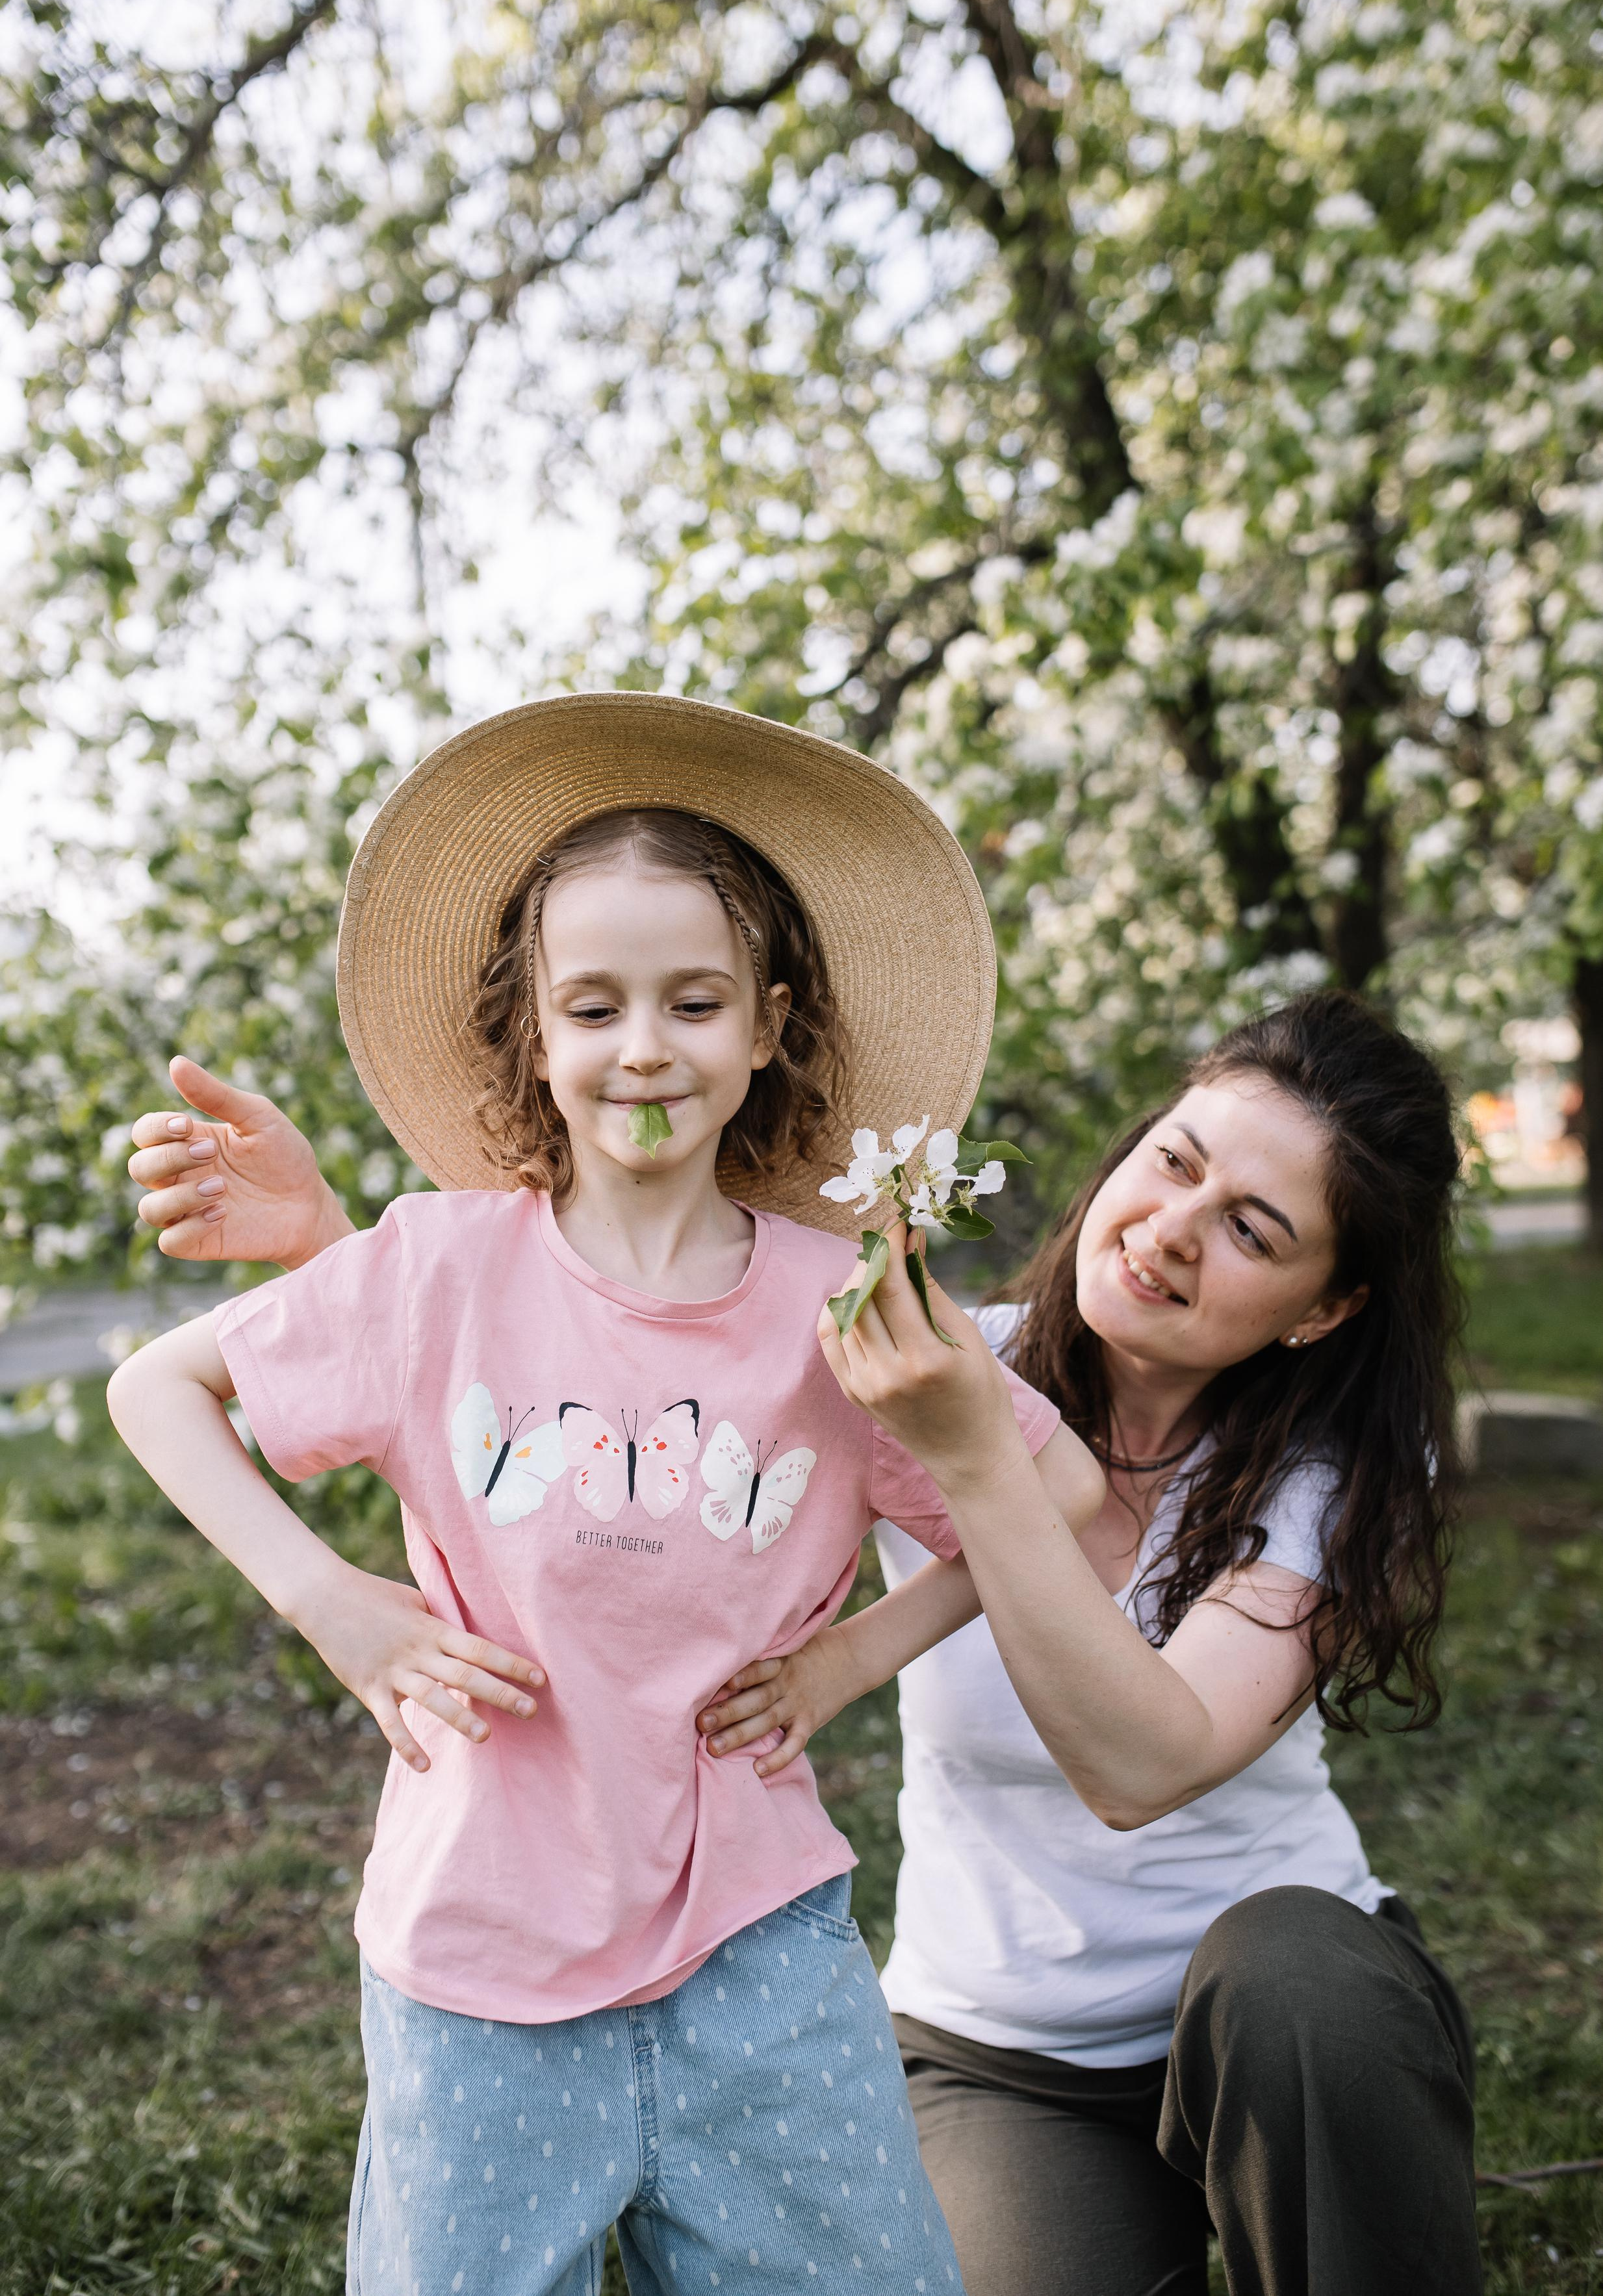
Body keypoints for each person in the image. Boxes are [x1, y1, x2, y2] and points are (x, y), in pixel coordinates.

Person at [136, 984, 1483, 2295]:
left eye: (1251, 1226)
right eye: (1171, 1160)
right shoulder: (926, 1347)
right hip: (996, 2041)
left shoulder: (1324, 1460)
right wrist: (335, 1253)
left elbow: (1142, 1759)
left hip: (1273, 2000)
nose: (1172, 1228)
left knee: (1299, 1981)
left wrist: (938, 1510)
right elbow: (583, 1402)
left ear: (1324, 1302)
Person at [109, 693, 1086, 2296]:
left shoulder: (842, 1303)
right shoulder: (435, 1265)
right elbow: (157, 1388)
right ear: (534, 1035)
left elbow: (1041, 1491)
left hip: (760, 1960)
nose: (645, 1045)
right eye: (595, 1005)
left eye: (694, 1001)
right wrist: (336, 1606)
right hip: (475, 1960)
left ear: (765, 1026)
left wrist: (855, 1650)